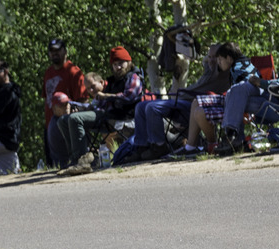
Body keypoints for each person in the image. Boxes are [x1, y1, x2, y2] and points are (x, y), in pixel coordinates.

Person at [126, 43, 231, 161]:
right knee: (140, 106)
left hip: (193, 105)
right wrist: (210, 56)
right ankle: (142, 147)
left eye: (215, 57)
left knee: (152, 107)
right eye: (210, 57)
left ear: (222, 58)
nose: (211, 60)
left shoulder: (221, 71)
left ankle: (159, 146)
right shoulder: (209, 69)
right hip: (181, 102)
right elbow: (205, 60)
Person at [57, 47, 144, 176]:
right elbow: (97, 105)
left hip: (122, 117)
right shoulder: (113, 81)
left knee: (75, 119)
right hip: (106, 116)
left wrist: (108, 96)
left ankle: (83, 163)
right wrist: (76, 106)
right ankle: (76, 159)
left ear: (129, 62)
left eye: (121, 63)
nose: (118, 67)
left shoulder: (134, 77)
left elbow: (130, 96)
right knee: (62, 120)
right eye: (115, 64)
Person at [176, 42, 259, 156]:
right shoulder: (243, 64)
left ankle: (213, 145)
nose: (218, 63)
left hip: (237, 105)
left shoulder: (237, 69)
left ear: (229, 58)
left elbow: (239, 94)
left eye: (219, 59)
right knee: (196, 102)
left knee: (200, 111)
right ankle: (191, 146)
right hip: (231, 101)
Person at [42, 39, 87, 168]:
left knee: (68, 163)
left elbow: (83, 101)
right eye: (52, 51)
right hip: (50, 124)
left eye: (58, 50)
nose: (54, 53)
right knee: (54, 166)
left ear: (65, 52)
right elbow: (47, 99)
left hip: (67, 125)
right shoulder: (48, 72)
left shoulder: (74, 71)